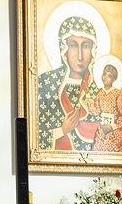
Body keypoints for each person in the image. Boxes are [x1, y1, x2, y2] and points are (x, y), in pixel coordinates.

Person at [36, 16, 101, 152]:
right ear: (63, 49)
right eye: (73, 45)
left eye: (85, 46)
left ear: (93, 50)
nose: (80, 56)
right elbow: (32, 135)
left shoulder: (98, 91)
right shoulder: (45, 84)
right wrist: (62, 130)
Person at [88, 60, 122, 153]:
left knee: (111, 142)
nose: (105, 77)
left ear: (114, 79)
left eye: (109, 76)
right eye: (104, 74)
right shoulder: (100, 92)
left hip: (116, 128)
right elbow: (96, 111)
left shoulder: (117, 94)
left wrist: (113, 126)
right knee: (98, 142)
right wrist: (88, 97)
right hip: (103, 127)